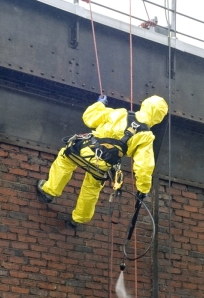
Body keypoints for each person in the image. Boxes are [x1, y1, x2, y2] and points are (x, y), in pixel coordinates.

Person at [36, 94, 168, 228]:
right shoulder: (146, 136)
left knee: (65, 159)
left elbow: (89, 118)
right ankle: (79, 219)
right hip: (104, 164)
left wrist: (100, 104)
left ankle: (49, 191)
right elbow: (144, 166)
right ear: (159, 118)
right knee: (92, 187)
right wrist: (143, 189)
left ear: (145, 105)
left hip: (86, 150)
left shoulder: (120, 113)